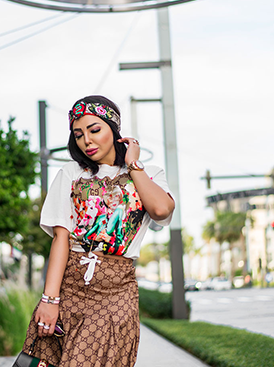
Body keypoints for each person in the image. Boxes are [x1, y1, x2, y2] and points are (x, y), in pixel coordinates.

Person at [21, 95, 175, 366]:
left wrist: (134, 166)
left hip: (117, 293)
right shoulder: (71, 174)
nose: (86, 141)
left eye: (95, 130)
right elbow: (61, 240)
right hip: (71, 287)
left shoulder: (148, 173)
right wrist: (50, 299)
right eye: (78, 135)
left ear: (114, 130)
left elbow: (162, 210)